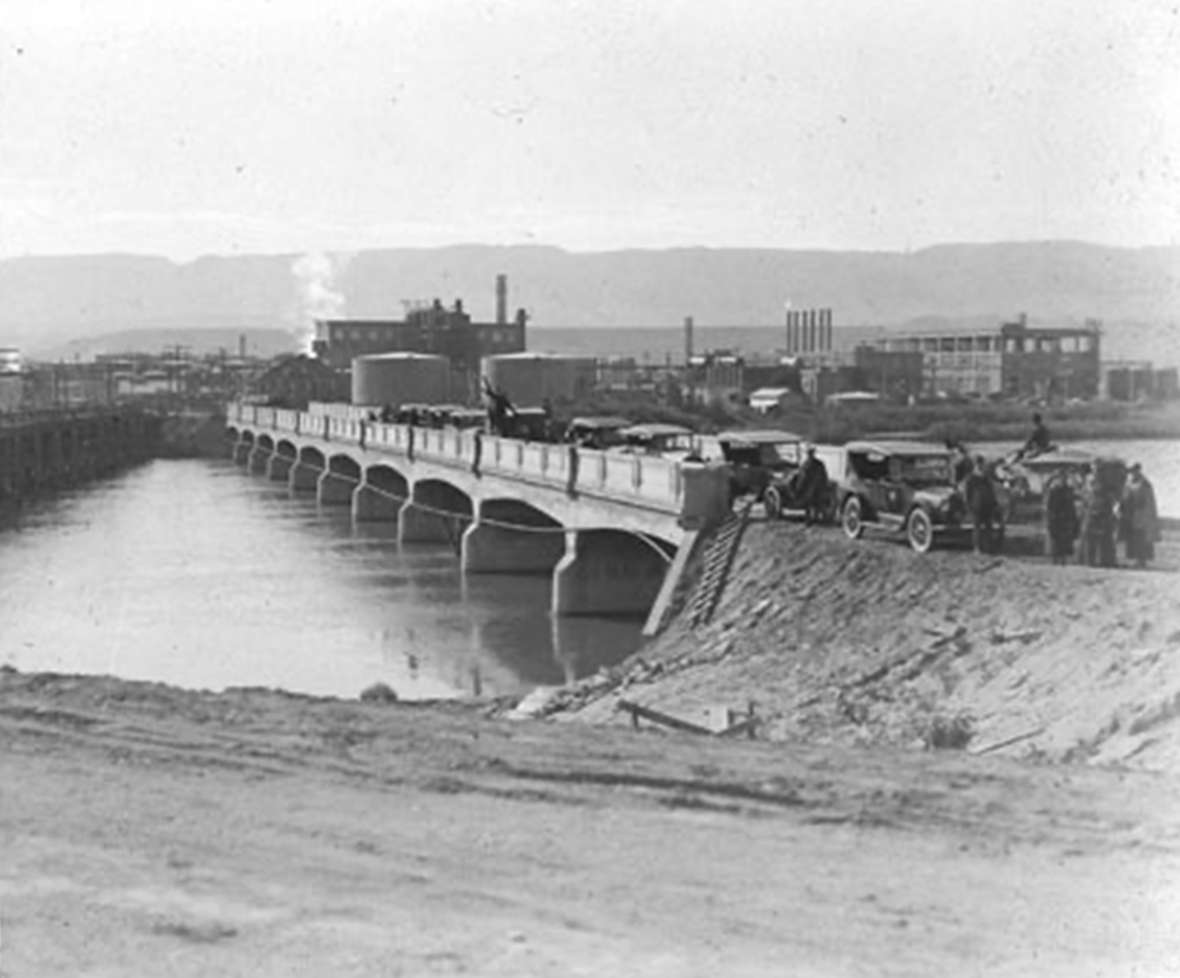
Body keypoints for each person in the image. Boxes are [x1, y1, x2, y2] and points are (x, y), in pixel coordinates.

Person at [1120, 463, 1160, 568]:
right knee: (1133, 537)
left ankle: (1141, 560)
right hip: (1131, 514)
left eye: (1134, 471)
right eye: (1131, 471)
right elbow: (1125, 496)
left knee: (1141, 537)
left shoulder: (1145, 484)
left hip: (1141, 515)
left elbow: (1148, 501)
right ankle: (1135, 559)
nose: (1132, 473)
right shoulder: (1129, 483)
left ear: (1138, 470)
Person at [1080, 464, 1117, 567]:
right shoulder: (1088, 481)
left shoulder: (1107, 482)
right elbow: (1084, 495)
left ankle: (1106, 561)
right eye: (1094, 469)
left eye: (1098, 470)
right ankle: (1090, 561)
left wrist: (1110, 508)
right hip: (1091, 511)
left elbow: (1112, 497)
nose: (1096, 472)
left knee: (1105, 538)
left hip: (1104, 512)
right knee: (1090, 537)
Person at [963, 455, 1000, 553]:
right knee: (977, 528)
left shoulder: (986, 478)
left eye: (981, 463)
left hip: (987, 506)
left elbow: (991, 491)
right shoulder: (970, 478)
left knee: (989, 527)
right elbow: (967, 494)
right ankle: (977, 548)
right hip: (976, 506)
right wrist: (969, 506)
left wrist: (994, 503)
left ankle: (988, 547)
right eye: (978, 464)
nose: (980, 466)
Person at [1043, 467, 1080, 564]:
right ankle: (1056, 559)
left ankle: (1063, 560)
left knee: (1065, 540)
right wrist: (1052, 476)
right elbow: (1049, 504)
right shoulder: (1054, 490)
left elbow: (1077, 492)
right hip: (1056, 518)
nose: (1062, 480)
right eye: (1060, 478)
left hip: (1066, 518)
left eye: (1064, 478)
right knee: (1056, 539)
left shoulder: (1068, 490)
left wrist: (1073, 477)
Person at [796, 445, 830, 524]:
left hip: (810, 488)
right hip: (818, 487)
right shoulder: (819, 463)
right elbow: (824, 476)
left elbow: (803, 478)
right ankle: (817, 518)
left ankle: (810, 519)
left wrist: (799, 487)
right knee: (817, 504)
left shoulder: (806, 465)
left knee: (810, 504)